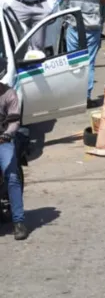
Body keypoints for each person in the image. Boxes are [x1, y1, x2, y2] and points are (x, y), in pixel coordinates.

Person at [60, 0, 105, 108]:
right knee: (89, 62)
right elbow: (103, 3)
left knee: (73, 60)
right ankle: (85, 97)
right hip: (92, 27)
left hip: (73, 24)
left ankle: (73, 96)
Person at [0, 82, 27, 240]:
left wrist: (7, 135)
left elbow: (14, 122)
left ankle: (19, 222)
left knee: (12, 176)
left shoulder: (9, 94)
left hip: (3, 140)